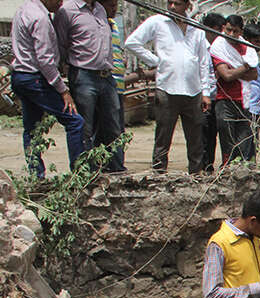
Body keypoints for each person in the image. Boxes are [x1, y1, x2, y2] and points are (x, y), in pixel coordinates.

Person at [124, 0, 213, 174]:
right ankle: (159, 174)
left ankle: (196, 175)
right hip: (167, 88)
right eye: (170, 2)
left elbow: (203, 62)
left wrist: (206, 92)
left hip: (193, 90)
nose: (172, 7)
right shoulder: (157, 22)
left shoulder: (196, 28)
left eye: (177, 3)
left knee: (195, 138)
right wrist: (157, 61)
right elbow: (132, 43)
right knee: (163, 136)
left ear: (187, 5)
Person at [10, 0, 85, 178]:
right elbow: (45, 61)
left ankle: (36, 175)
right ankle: (79, 174)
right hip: (35, 79)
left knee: (32, 129)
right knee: (75, 121)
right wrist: (63, 90)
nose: (61, 3)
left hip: (20, 77)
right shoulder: (40, 18)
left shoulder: (23, 10)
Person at [54, 0, 124, 172]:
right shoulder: (67, 11)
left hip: (107, 76)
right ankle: (85, 174)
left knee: (113, 127)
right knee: (85, 128)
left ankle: (115, 171)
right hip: (83, 76)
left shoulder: (100, 9)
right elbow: (61, 46)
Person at [210, 15, 259, 165]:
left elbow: (254, 74)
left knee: (244, 141)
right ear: (224, 28)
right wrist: (245, 66)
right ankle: (227, 171)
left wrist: (235, 69)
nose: (231, 34)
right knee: (228, 141)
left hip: (244, 102)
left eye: (235, 31)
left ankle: (241, 171)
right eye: (228, 30)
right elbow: (227, 75)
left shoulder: (247, 48)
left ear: (241, 31)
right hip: (225, 101)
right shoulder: (218, 46)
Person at [98, 0, 124, 172]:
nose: (113, 9)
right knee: (106, 128)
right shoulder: (98, 23)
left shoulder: (113, 24)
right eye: (110, 5)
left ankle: (117, 165)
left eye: (115, 5)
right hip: (106, 82)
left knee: (118, 129)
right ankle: (106, 166)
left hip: (119, 85)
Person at [200, 12, 225, 172]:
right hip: (203, 96)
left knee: (214, 135)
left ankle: (210, 167)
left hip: (219, 98)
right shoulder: (201, 46)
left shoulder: (221, 48)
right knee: (202, 134)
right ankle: (202, 168)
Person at [242, 22, 260, 150]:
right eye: (257, 41)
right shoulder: (244, 55)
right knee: (247, 140)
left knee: (253, 141)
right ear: (247, 40)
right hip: (248, 105)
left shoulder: (254, 56)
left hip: (256, 106)